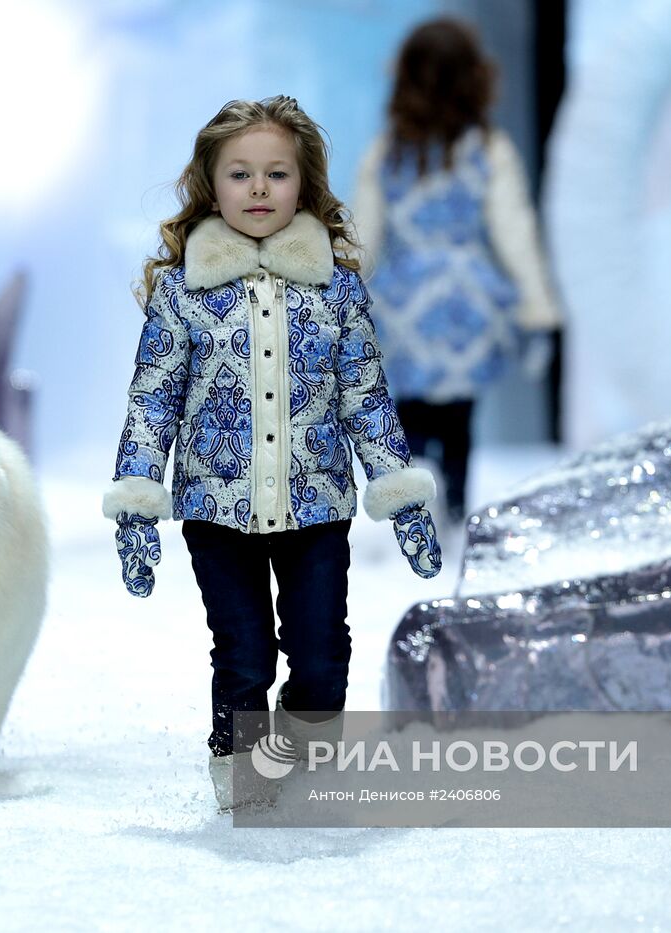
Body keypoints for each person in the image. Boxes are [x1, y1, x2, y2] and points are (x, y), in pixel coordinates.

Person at [102, 96, 441, 811]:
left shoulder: (337, 290)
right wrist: (136, 498)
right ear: (210, 185)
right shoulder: (182, 293)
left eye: (277, 174)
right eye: (240, 174)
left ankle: (302, 744)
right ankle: (243, 776)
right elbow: (153, 399)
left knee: (322, 654)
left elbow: (366, 395)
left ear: (304, 183)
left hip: (316, 505)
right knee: (243, 654)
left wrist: (401, 494)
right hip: (215, 509)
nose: (258, 188)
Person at [354, 17, 563, 526]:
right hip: (468, 304)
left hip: (404, 302)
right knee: (459, 418)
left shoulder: (388, 152)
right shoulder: (489, 149)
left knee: (408, 411)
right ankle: (452, 510)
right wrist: (538, 309)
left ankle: (415, 503)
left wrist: (336, 303)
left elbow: (361, 239)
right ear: (476, 77)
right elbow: (514, 233)